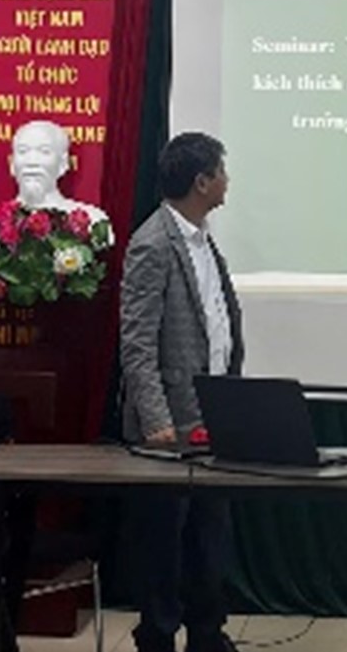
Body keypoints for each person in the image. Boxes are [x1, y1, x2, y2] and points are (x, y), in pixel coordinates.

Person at [120, 132, 244, 652]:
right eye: (221, 171)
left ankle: (206, 635)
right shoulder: (153, 243)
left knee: (208, 539)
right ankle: (158, 638)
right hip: (169, 428)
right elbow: (137, 342)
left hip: (212, 418)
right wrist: (156, 421)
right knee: (164, 544)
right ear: (202, 181)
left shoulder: (202, 238)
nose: (227, 181)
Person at [9, 119, 109, 228]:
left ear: (63, 163)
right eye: (23, 151)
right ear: (12, 163)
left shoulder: (93, 222)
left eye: (44, 151)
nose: (32, 161)